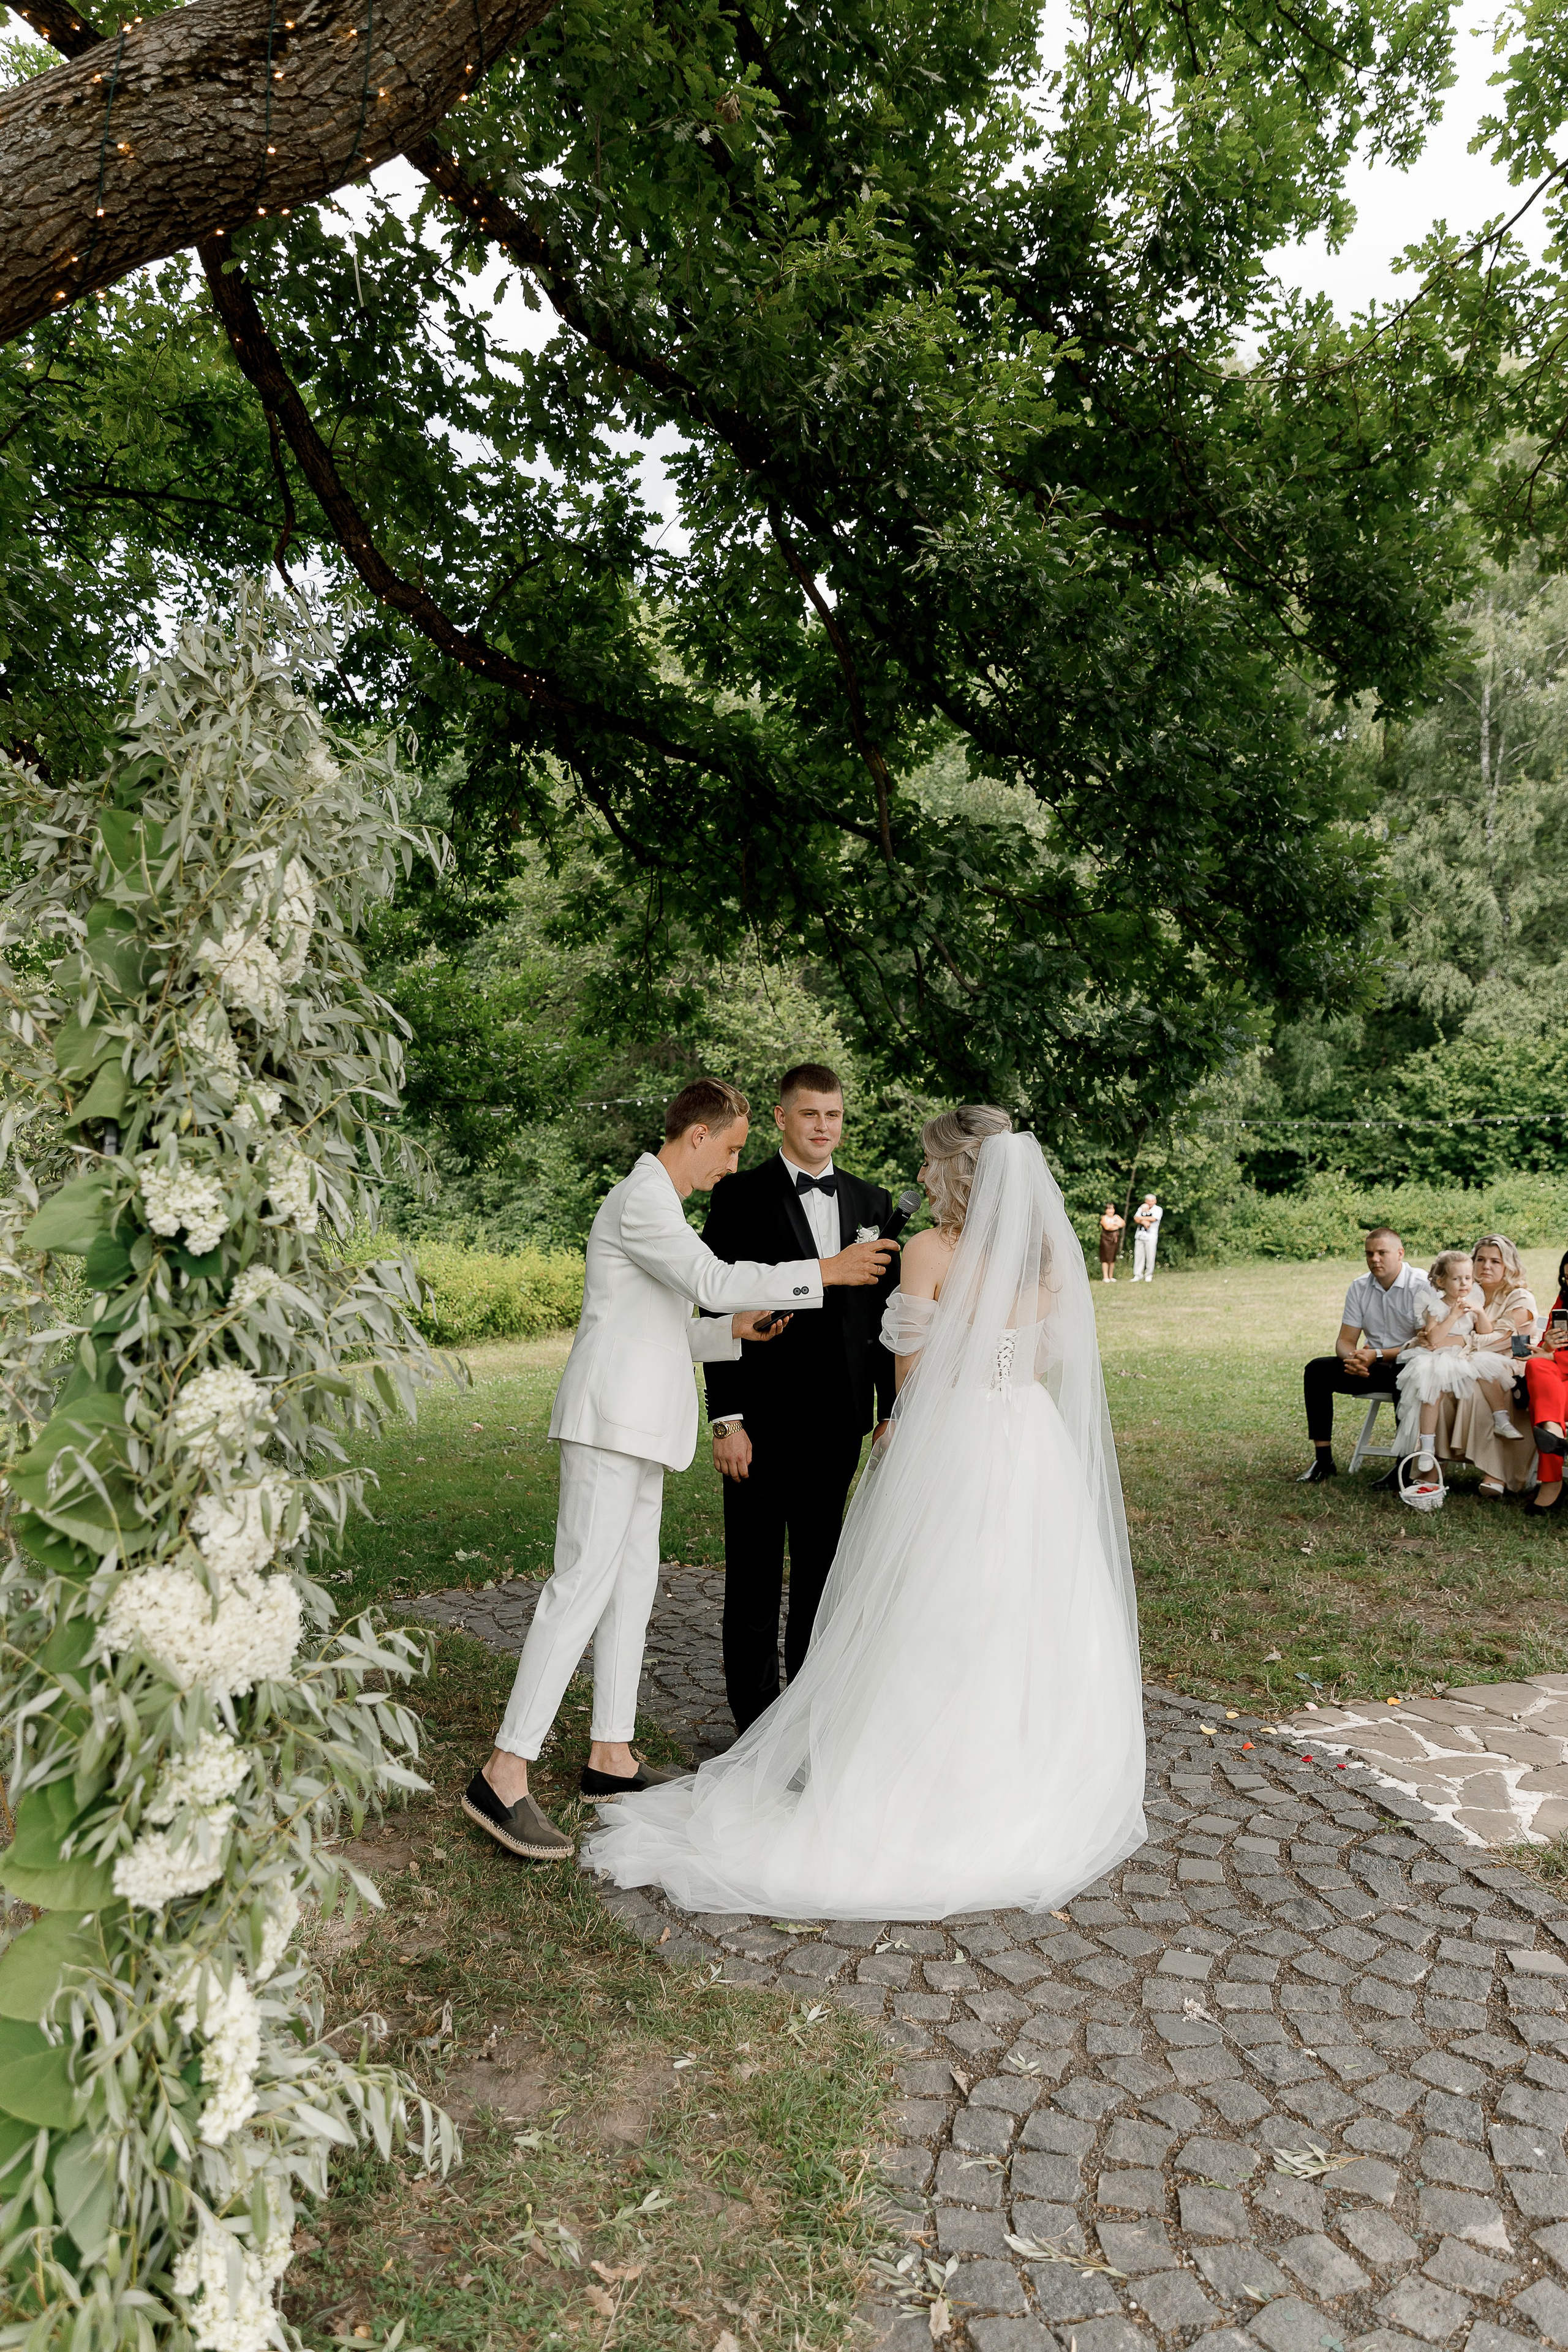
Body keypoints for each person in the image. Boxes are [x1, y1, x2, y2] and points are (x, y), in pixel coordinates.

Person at [582, 1109, 1147, 1920]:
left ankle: (910, 1788)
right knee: (1022, 1608)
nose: (919, 1178)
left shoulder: (931, 1251)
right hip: (1029, 1442)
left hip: (956, 1441)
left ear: (958, 1172)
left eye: (929, 1165)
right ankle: (1015, 1782)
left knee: (931, 1610)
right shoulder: (1051, 1255)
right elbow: (1047, 1355)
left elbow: (912, 1377)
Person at [461, 1078, 897, 1862]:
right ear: (698, 1136)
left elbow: (664, 1325)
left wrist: (731, 1335)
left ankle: (612, 1758)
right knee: (581, 1585)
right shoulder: (643, 1200)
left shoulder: (656, 1203)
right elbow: (706, 1281)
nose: (731, 1168)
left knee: (631, 1587)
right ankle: (504, 1771)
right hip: (609, 1425)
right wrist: (822, 1273)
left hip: (641, 1427)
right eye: (729, 1150)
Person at [699, 1061, 898, 1735]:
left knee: (821, 1575)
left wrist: (887, 1412)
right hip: (758, 1421)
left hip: (839, 1422)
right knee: (753, 1578)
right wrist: (725, 1418)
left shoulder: (873, 1204)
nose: (823, 1127)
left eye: (833, 1114)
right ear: (782, 1118)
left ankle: (805, 1721)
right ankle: (752, 1724)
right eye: (810, 1114)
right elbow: (711, 1306)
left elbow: (882, 1325)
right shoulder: (736, 1198)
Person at [1298, 1226, 1428, 1483]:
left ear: (1400, 1253)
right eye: (1369, 1254)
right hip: (1371, 1366)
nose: (1375, 1259)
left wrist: (1378, 1355)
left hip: (1411, 1365)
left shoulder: (1421, 1285)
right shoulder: (1360, 1286)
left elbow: (1424, 1343)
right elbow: (1346, 1340)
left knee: (1407, 1374)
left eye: (1382, 1253)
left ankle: (1404, 1467)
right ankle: (1323, 1461)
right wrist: (1352, 1359)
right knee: (1316, 1370)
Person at [1431, 1235, 1537, 1496]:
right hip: (1464, 1364)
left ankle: (1496, 1472)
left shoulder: (1519, 1297)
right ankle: (1433, 1465)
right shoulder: (1463, 1291)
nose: (1486, 1266)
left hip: (1512, 1366)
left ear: (1508, 1266)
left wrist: (1457, 1341)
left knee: (1478, 1387)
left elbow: (1503, 1341)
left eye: (1495, 1261)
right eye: (1480, 1259)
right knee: (1434, 1388)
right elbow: (1434, 1332)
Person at [1523, 1247, 1568, 1518]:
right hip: (1557, 1385)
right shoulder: (1564, 1302)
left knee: (1544, 1380)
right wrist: (1547, 1346)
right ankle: (1555, 1432)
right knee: (1537, 1364)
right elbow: (1545, 1350)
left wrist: (1556, 1359)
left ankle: (1551, 1483)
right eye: (1566, 1279)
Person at [1132, 1194, 1162, 1281]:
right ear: (1146, 1201)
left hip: (1151, 1236)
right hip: (1140, 1235)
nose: (1151, 1203)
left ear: (1155, 1201)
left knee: (1151, 1255)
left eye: (1152, 1201)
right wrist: (1144, 1221)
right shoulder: (1142, 1207)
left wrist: (1141, 1219)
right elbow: (1136, 1219)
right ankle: (1138, 1274)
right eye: (1149, 1201)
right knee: (1139, 1255)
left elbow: (1154, 1219)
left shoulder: (1158, 1209)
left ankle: (1149, 1274)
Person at [1098, 1202, 1125, 1281]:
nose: (1111, 1211)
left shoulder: (1116, 1216)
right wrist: (1116, 1225)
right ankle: (1105, 1277)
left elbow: (1123, 1223)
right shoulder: (1104, 1218)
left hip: (1115, 1240)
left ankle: (1111, 1276)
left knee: (1112, 1257)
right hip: (1106, 1240)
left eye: (1112, 1209)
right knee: (1105, 1258)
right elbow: (1107, 1227)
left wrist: (1113, 1225)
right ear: (1106, 1210)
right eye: (1109, 1209)